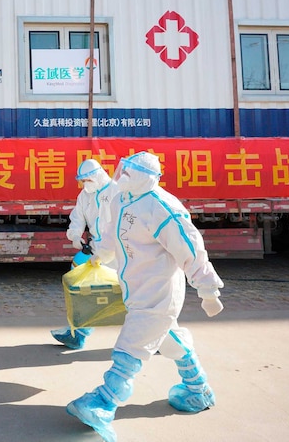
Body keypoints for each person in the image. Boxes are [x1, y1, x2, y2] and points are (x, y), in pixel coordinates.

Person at [66, 151, 224, 442]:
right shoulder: (121, 200)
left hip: (159, 291)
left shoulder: (162, 207)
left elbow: (190, 248)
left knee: (132, 345)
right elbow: (112, 239)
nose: (120, 177)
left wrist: (207, 288)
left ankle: (104, 401)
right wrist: (98, 257)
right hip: (135, 287)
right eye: (121, 171)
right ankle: (197, 388)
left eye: (128, 173)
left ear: (144, 177)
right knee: (169, 339)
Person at [50, 159, 117, 350]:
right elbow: (77, 217)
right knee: (89, 292)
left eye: (87, 180)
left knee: (138, 295)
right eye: (82, 181)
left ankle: (162, 335)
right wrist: (74, 235)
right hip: (97, 251)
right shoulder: (85, 195)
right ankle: (78, 333)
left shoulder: (116, 191)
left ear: (97, 175)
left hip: (119, 252)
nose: (84, 184)